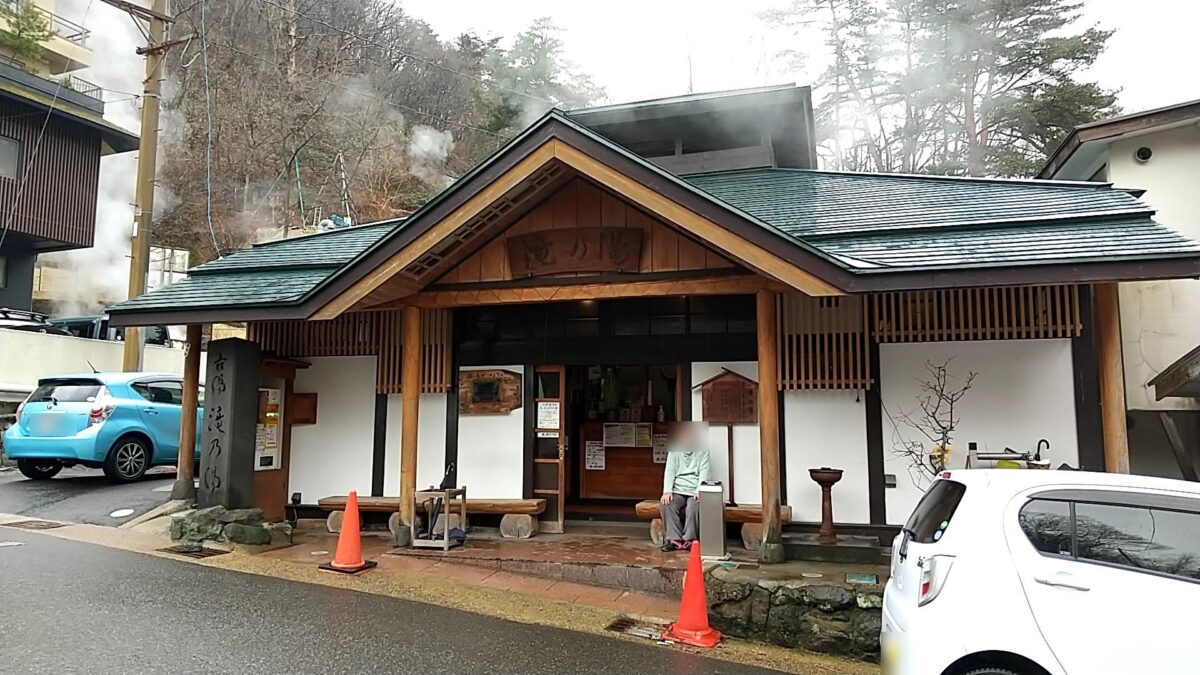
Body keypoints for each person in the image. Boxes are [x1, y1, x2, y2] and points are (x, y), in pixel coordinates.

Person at [658, 422, 711, 552]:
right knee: (666, 504)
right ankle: (674, 540)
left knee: (694, 506)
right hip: (678, 489)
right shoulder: (674, 451)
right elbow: (669, 471)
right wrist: (667, 491)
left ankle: (690, 539)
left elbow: (705, 471)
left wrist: (699, 490)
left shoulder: (703, 451)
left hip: (694, 490)